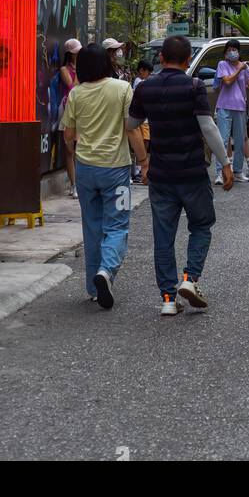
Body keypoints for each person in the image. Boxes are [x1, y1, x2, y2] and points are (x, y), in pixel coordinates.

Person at [126, 35, 233, 315]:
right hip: (193, 173)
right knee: (201, 225)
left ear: (161, 58)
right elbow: (208, 127)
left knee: (164, 237)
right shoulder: (194, 86)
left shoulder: (145, 88)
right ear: (187, 61)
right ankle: (190, 278)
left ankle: (168, 299)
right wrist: (225, 163)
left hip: (161, 175)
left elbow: (132, 122)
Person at [61, 43, 149, 310]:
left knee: (92, 228)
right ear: (107, 63)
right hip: (116, 170)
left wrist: (78, 150)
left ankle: (93, 288)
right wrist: (144, 161)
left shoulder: (76, 94)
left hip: (85, 170)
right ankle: (106, 271)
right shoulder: (122, 89)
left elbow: (68, 135)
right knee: (118, 225)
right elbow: (132, 129)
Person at [213, 40, 249, 186]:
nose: (231, 52)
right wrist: (239, 69)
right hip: (224, 106)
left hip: (240, 107)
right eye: (229, 50)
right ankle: (220, 172)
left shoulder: (244, 66)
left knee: (239, 141)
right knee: (223, 140)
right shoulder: (222, 64)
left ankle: (238, 171)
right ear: (225, 52)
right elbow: (227, 81)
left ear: (239, 52)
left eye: (234, 49)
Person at [59, 38, 82, 198]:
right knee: (69, 149)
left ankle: (80, 183)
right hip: (68, 108)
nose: (78, 54)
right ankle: (73, 185)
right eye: (76, 52)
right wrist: (78, 70)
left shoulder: (84, 68)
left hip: (82, 110)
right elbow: (72, 86)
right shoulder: (64, 69)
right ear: (70, 54)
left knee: (80, 148)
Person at [130, 60, 153, 183]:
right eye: (148, 72)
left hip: (144, 119)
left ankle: (138, 169)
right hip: (142, 119)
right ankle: (139, 169)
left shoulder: (142, 82)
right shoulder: (140, 82)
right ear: (141, 70)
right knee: (142, 143)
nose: (149, 75)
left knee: (144, 143)